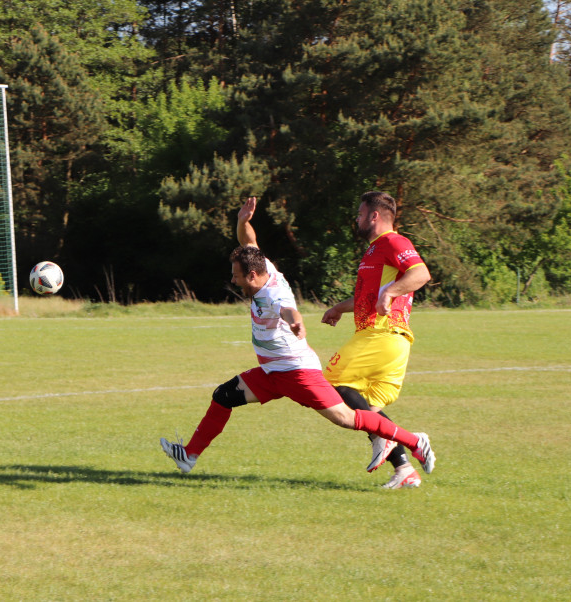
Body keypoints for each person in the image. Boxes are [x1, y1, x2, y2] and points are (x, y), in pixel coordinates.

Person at [160, 197, 434, 477]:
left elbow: (288, 310)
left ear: (253, 276)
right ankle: (189, 456)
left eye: (237, 277)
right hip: (272, 371)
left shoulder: (271, 295)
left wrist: (297, 323)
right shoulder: (263, 267)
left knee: (347, 417)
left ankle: (414, 441)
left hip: (297, 372)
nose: (234, 280)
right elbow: (249, 243)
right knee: (224, 395)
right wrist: (243, 222)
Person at [321, 191, 431, 489]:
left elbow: (420, 273)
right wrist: (338, 309)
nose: (356, 218)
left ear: (374, 216)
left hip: (382, 334)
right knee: (364, 408)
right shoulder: (373, 251)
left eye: (360, 213)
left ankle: (392, 438)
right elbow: (363, 297)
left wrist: (391, 293)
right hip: (386, 341)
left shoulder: (394, 242)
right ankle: (404, 467)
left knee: (328, 383)